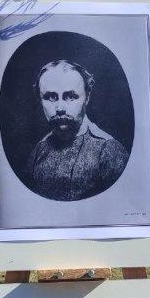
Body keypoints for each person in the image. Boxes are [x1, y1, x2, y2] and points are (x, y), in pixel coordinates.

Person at [25, 60, 129, 201]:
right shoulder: (38, 151)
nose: (60, 107)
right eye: (51, 97)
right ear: (40, 100)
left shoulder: (109, 150)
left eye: (70, 96)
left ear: (87, 97)